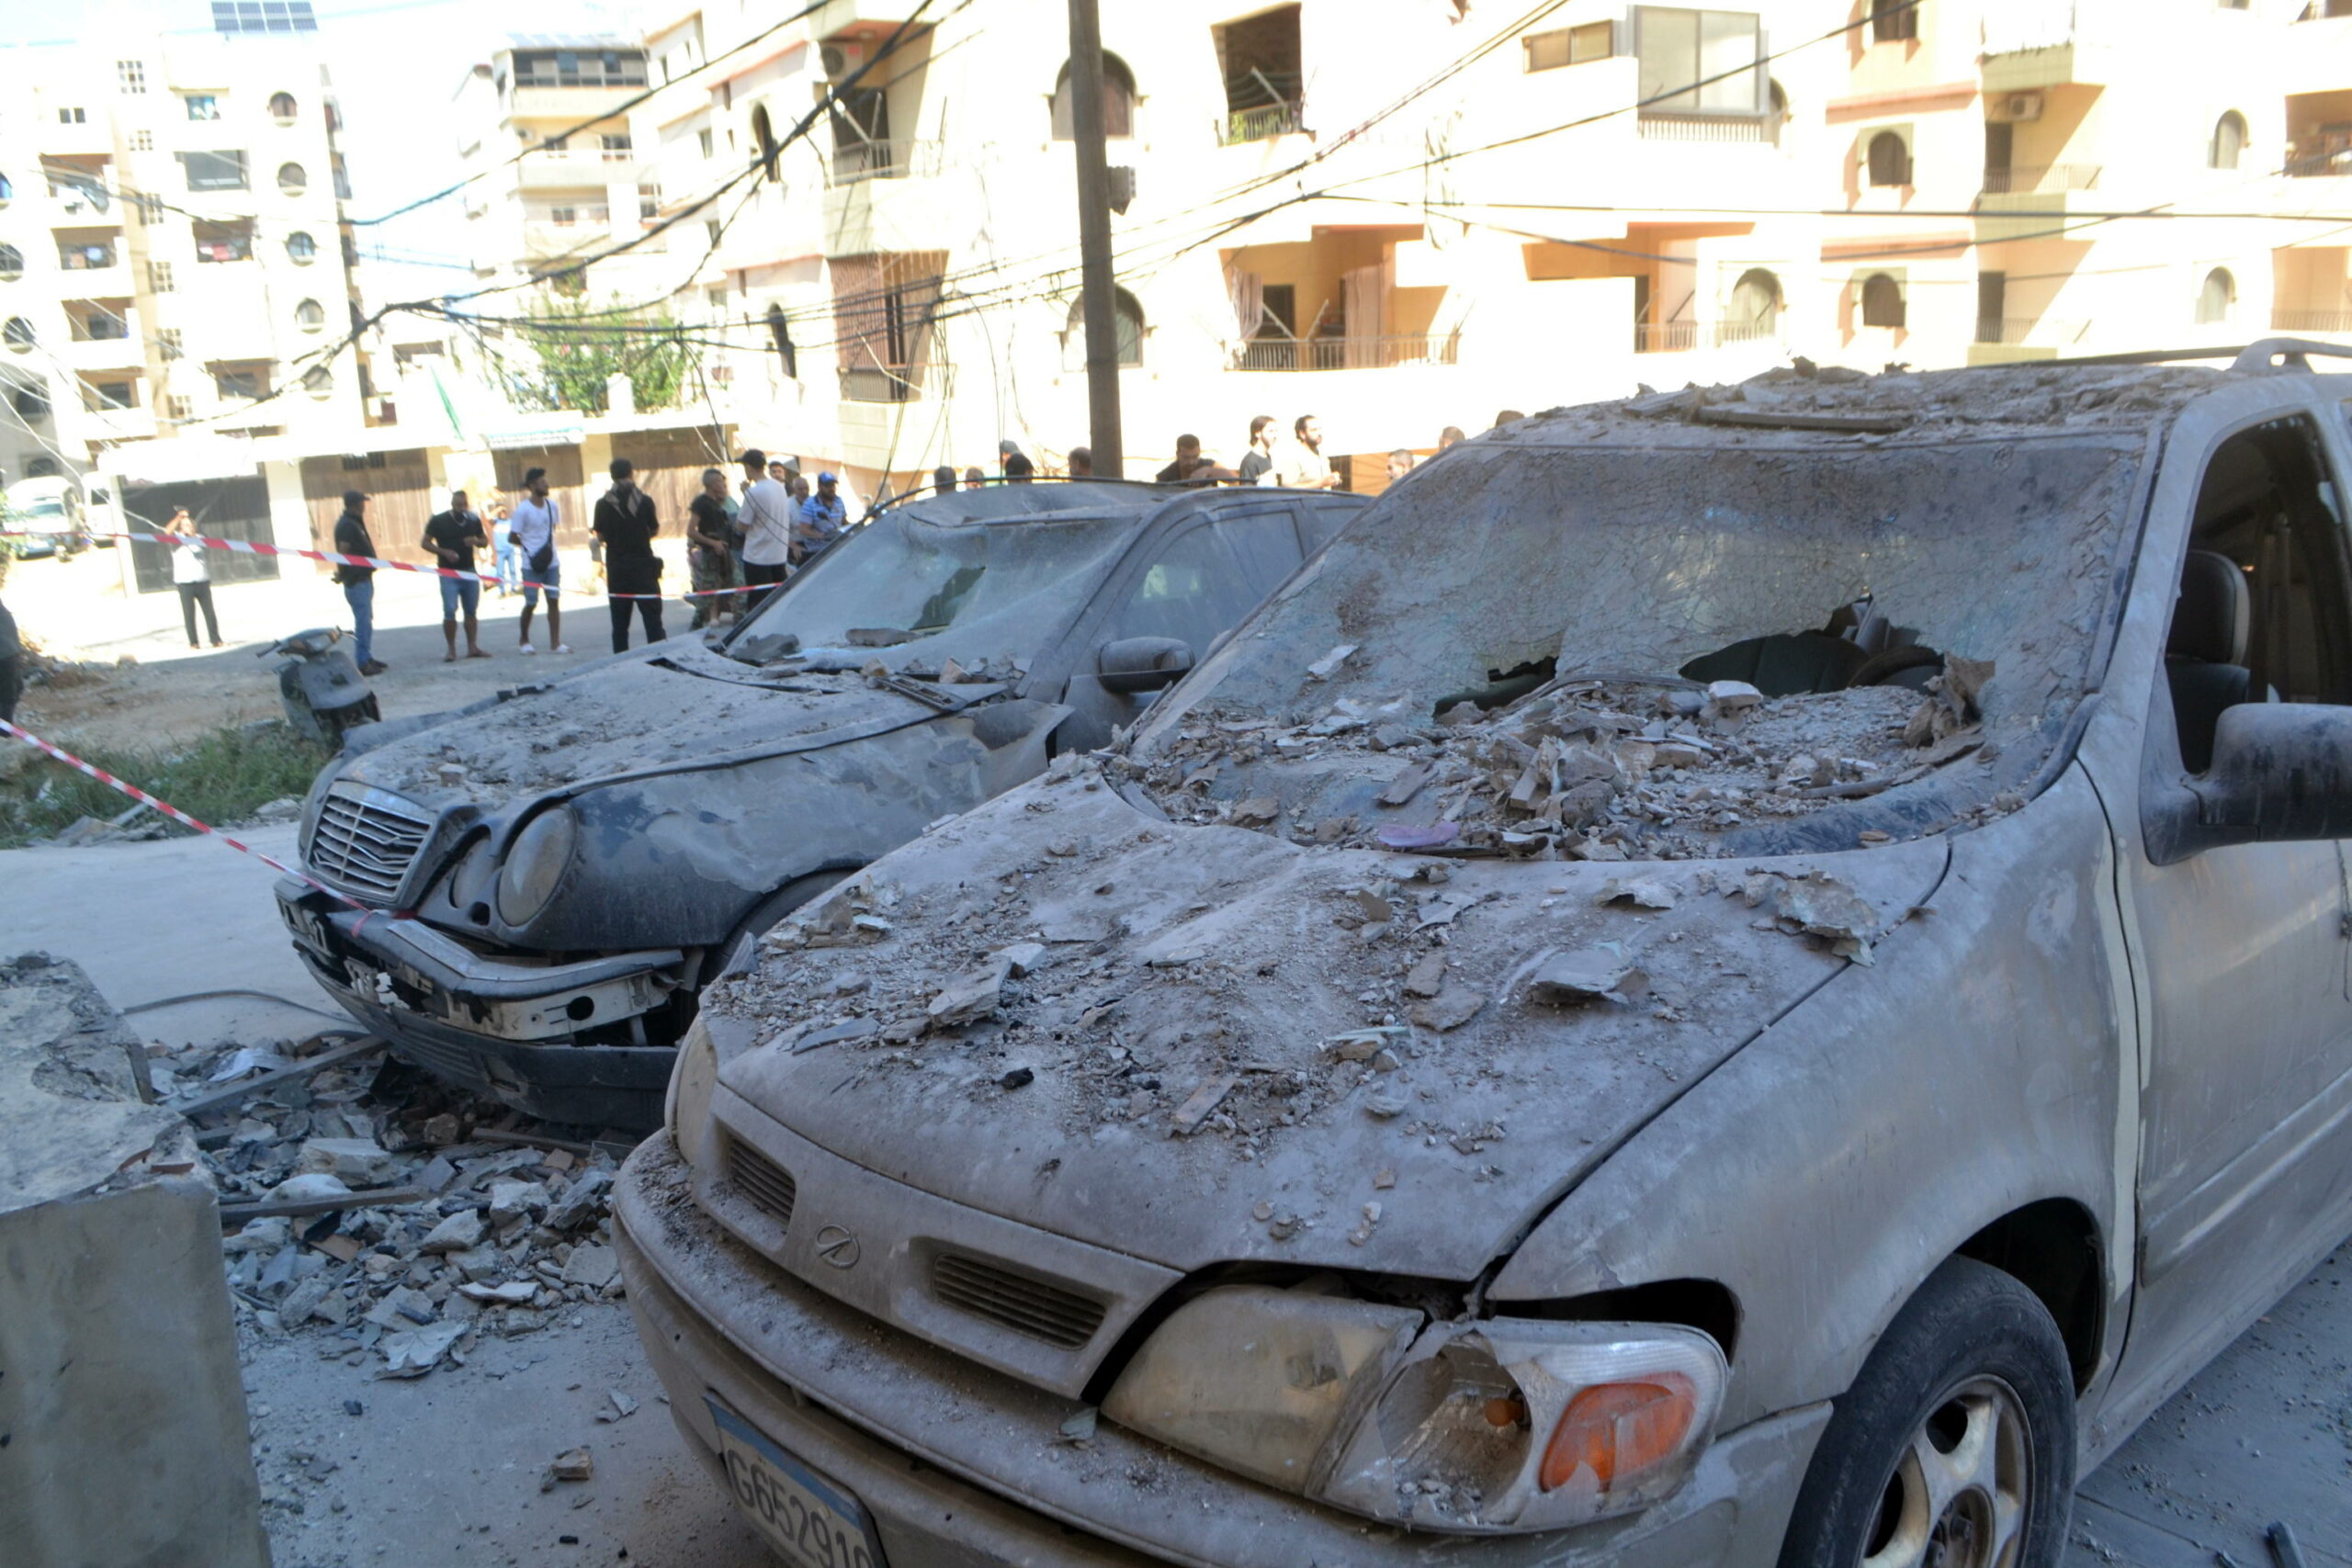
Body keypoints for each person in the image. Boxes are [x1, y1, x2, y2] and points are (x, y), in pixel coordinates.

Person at [593, 457, 665, 652]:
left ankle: (620, 661)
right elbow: (654, 529)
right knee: (653, 621)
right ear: (631, 474)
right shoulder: (644, 500)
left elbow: (600, 536)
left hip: (617, 569)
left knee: (620, 625)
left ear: (612, 476)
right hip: (643, 567)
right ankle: (658, 657)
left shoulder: (603, 504)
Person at [423, 489, 492, 661]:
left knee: (471, 611)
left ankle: (472, 647)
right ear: (452, 504)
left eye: (464, 505)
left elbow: (484, 541)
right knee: (450, 610)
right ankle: (451, 649)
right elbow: (425, 542)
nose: (461, 508)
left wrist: (476, 541)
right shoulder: (439, 520)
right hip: (448, 572)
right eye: (458, 505)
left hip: (469, 571)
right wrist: (443, 552)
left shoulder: (473, 519)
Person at [511, 467, 567, 654]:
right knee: (531, 602)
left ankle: (556, 642)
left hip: (552, 561)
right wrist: (528, 547)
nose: (547, 484)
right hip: (531, 564)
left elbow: (552, 529)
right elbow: (513, 536)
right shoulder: (523, 509)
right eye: (543, 482)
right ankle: (524, 640)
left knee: (553, 600)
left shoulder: (552, 506)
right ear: (533, 485)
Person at [735, 447, 797, 611]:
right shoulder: (779, 487)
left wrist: (746, 494)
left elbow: (741, 525)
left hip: (758, 558)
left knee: (758, 605)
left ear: (749, 467)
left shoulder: (754, 492)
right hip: (778, 555)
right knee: (778, 603)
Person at [333, 491, 386, 675]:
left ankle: (367, 656)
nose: (364, 505)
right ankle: (363, 662)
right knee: (362, 623)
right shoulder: (348, 524)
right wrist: (341, 573)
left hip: (363, 579)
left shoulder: (354, 522)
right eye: (362, 502)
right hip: (356, 581)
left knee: (366, 621)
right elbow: (343, 551)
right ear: (355, 504)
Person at [165, 506, 223, 649]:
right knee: (189, 614)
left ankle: (215, 639)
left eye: (191, 525)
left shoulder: (200, 538)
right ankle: (194, 642)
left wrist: (191, 536)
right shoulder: (175, 539)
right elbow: (167, 532)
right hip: (184, 583)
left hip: (202, 580)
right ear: (180, 528)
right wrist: (179, 517)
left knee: (209, 613)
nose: (189, 527)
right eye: (186, 525)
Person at [686, 467, 735, 629]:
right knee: (707, 594)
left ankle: (741, 621)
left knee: (738, 587)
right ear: (713, 484)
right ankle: (696, 625)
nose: (723, 484)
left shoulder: (718, 503)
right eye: (720, 482)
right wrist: (713, 543)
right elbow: (691, 531)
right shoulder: (701, 503)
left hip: (725, 553)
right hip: (711, 554)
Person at [1278, 414, 1340, 491]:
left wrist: (1333, 480)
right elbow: (1288, 487)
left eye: (1320, 429)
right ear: (1302, 434)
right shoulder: (1294, 456)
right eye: (1314, 430)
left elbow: (1326, 484)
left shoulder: (1322, 455)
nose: (1319, 433)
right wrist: (1321, 483)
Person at [796, 471, 849, 558]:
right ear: (819, 487)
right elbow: (803, 529)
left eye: (833, 485)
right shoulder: (809, 504)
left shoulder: (839, 501)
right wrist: (820, 536)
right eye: (827, 486)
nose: (831, 488)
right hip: (818, 550)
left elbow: (844, 522)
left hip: (838, 546)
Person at [1237, 415, 1277, 485]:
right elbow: (1247, 489)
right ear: (1258, 433)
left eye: (1276, 431)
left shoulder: (1267, 456)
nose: (1275, 435)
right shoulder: (1250, 461)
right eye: (1271, 431)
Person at [0, 594, 19, 725]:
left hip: (5, 653)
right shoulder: (4, 613)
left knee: (7, 694)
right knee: (8, 693)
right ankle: (5, 728)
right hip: (10, 653)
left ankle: (4, 729)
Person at [490, 504, 516, 596]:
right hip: (500, 550)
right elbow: (489, 518)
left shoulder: (510, 522)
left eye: (504, 512)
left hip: (510, 549)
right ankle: (502, 590)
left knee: (512, 570)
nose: (502, 514)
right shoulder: (496, 522)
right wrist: (498, 509)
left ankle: (513, 588)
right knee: (500, 572)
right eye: (501, 513)